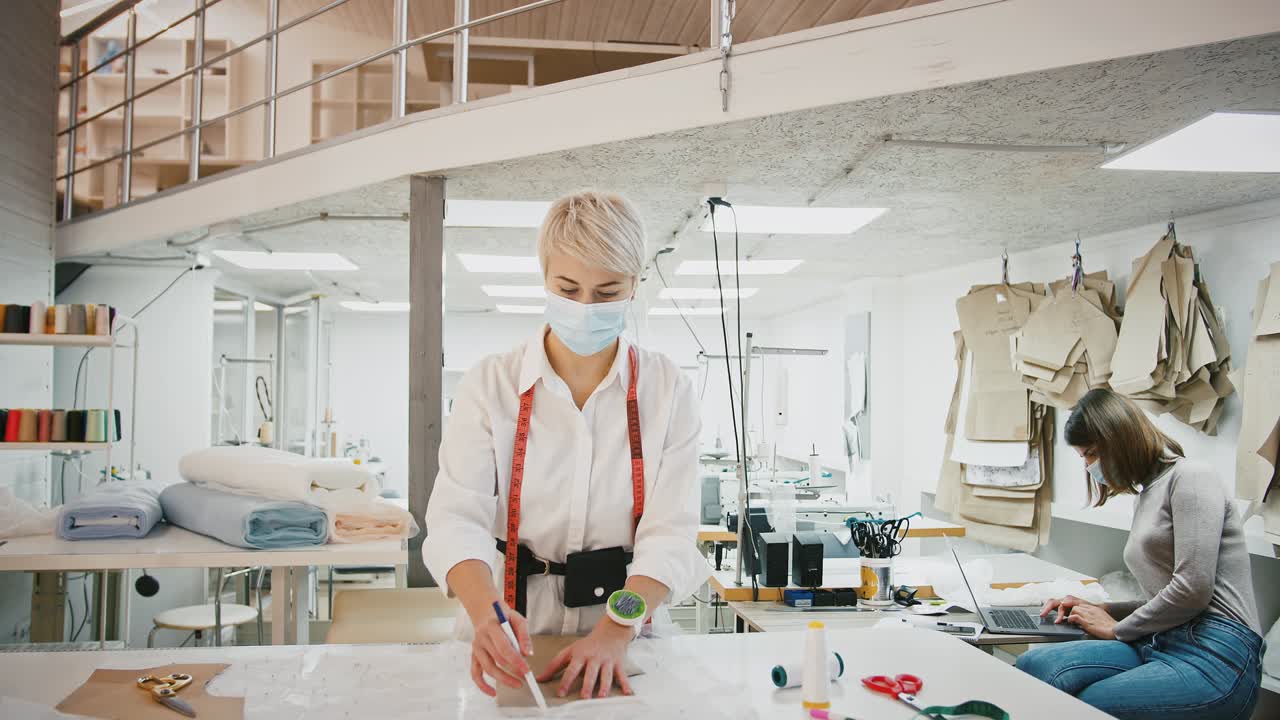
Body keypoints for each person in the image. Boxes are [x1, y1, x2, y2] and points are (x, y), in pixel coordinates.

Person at [422, 189, 707, 701]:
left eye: (607, 292)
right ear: (545, 278)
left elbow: (672, 533)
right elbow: (455, 518)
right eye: (568, 287)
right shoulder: (492, 384)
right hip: (507, 630)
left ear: (635, 284)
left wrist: (616, 632)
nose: (584, 307)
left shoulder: (668, 390)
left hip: (626, 631)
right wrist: (486, 614)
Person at [1015, 388, 1264, 720]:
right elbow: (1167, 597)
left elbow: (1193, 589)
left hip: (1216, 653)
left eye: (1091, 454)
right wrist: (1101, 608)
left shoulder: (1191, 477)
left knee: (1081, 707)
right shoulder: (1147, 495)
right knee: (1033, 665)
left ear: (1119, 438)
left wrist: (1117, 628)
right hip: (1163, 641)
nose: (1090, 467)